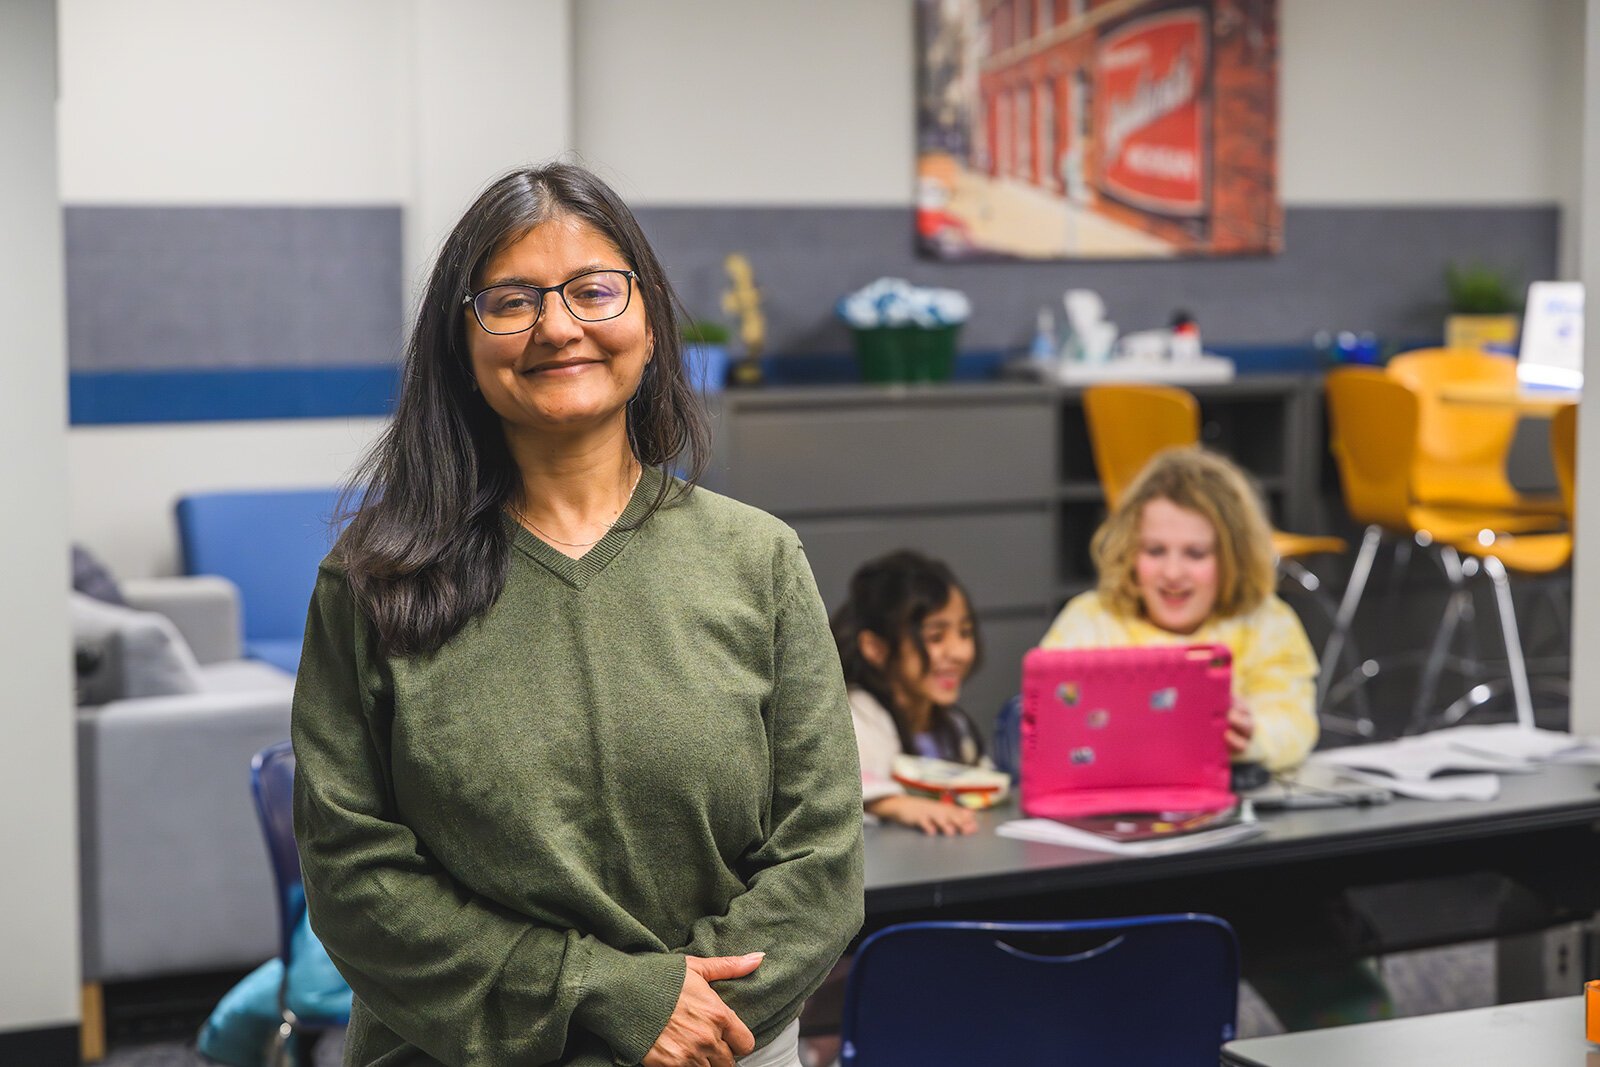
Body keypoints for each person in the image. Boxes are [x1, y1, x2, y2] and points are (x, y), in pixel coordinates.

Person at [292, 162, 864, 1067]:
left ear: (647, 318)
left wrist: (688, 1022)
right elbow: (353, 879)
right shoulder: (372, 578)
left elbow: (821, 863)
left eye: (595, 290)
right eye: (511, 300)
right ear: (462, 341)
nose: (559, 326)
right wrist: (610, 1004)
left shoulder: (758, 559)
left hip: (723, 1051)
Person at [1039, 447, 1318, 772]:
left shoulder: (1267, 623)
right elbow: (1046, 718)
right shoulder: (1090, 620)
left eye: (1196, 554)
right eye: (1155, 551)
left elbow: (1295, 724)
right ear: (1129, 551)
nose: (1172, 573)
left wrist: (1250, 734)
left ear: (1233, 557)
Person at [832, 550, 986, 835]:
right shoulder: (853, 719)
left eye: (965, 632)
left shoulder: (954, 726)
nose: (961, 652)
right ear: (876, 648)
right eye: (935, 637)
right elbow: (837, 790)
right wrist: (893, 804)